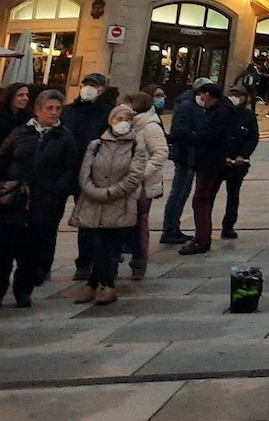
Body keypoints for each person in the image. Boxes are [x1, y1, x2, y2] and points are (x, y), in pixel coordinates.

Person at [0, 89, 78, 307]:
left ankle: (23, 291)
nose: (54, 113)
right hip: (15, 199)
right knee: (4, 248)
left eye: (58, 108)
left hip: (44, 200)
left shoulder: (64, 136)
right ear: (37, 110)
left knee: (31, 249)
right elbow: (3, 158)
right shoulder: (21, 133)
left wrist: (56, 190)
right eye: (49, 108)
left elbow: (70, 168)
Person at [68, 103, 149, 305]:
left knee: (109, 245)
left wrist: (111, 192)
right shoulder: (95, 145)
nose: (122, 123)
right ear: (110, 121)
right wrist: (94, 191)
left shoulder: (136, 146)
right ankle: (99, 285)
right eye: (118, 119)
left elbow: (135, 176)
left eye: (127, 119)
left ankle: (104, 286)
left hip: (119, 203)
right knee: (96, 244)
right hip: (93, 202)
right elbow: (84, 173)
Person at [178, 82, 241, 255]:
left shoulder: (220, 113)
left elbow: (210, 137)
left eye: (201, 95)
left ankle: (202, 239)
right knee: (203, 200)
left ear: (208, 94)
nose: (200, 99)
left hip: (210, 162)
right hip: (211, 161)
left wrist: (189, 136)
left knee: (200, 200)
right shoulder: (220, 110)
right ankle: (202, 237)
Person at [61, 73, 111, 281]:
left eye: (95, 85)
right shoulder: (68, 111)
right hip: (64, 171)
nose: (90, 88)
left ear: (102, 89)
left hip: (90, 173)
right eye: (87, 84)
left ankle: (84, 263)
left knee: (87, 222)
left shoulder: (106, 113)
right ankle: (41, 265)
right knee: (48, 218)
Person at [123, 91, 168, 280]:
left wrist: (142, 174)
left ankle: (139, 260)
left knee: (140, 220)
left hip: (142, 185)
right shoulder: (126, 124)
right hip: (124, 184)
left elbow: (160, 152)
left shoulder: (150, 126)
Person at [160, 77, 208, 244]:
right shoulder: (187, 105)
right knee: (179, 192)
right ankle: (170, 229)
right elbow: (180, 130)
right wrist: (198, 137)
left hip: (190, 154)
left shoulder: (192, 105)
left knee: (182, 192)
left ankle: (173, 227)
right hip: (185, 154)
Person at [220, 84, 260, 240]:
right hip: (221, 161)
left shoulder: (248, 116)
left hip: (239, 163)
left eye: (238, 95)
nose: (235, 98)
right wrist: (222, 156)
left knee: (233, 194)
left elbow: (253, 137)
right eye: (232, 94)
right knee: (209, 194)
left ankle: (228, 226)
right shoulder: (221, 112)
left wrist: (242, 155)